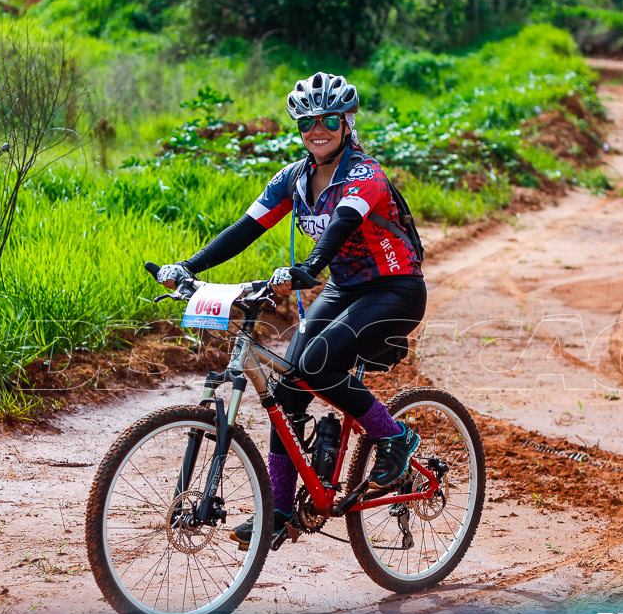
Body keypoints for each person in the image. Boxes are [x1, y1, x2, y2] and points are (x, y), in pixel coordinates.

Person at [155, 72, 426, 544]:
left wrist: (310, 265)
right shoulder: (293, 180)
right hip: (343, 289)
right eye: (306, 123)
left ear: (346, 123)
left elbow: (343, 223)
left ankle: (395, 437)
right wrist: (189, 267)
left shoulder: (365, 174)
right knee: (288, 389)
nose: (316, 130)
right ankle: (280, 512)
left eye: (327, 120)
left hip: (394, 289)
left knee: (314, 365)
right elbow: (244, 230)